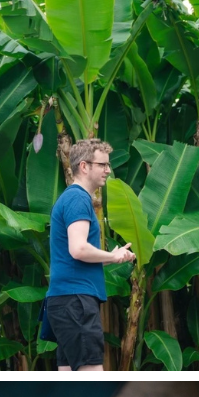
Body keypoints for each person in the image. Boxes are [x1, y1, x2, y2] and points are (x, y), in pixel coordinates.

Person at [44, 139, 135, 371]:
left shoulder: (70, 198)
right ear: (84, 166)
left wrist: (108, 256)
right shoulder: (78, 199)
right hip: (76, 301)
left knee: (68, 373)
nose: (108, 170)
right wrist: (112, 257)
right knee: (92, 374)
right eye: (102, 165)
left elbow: (75, 255)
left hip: (65, 301)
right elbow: (78, 249)